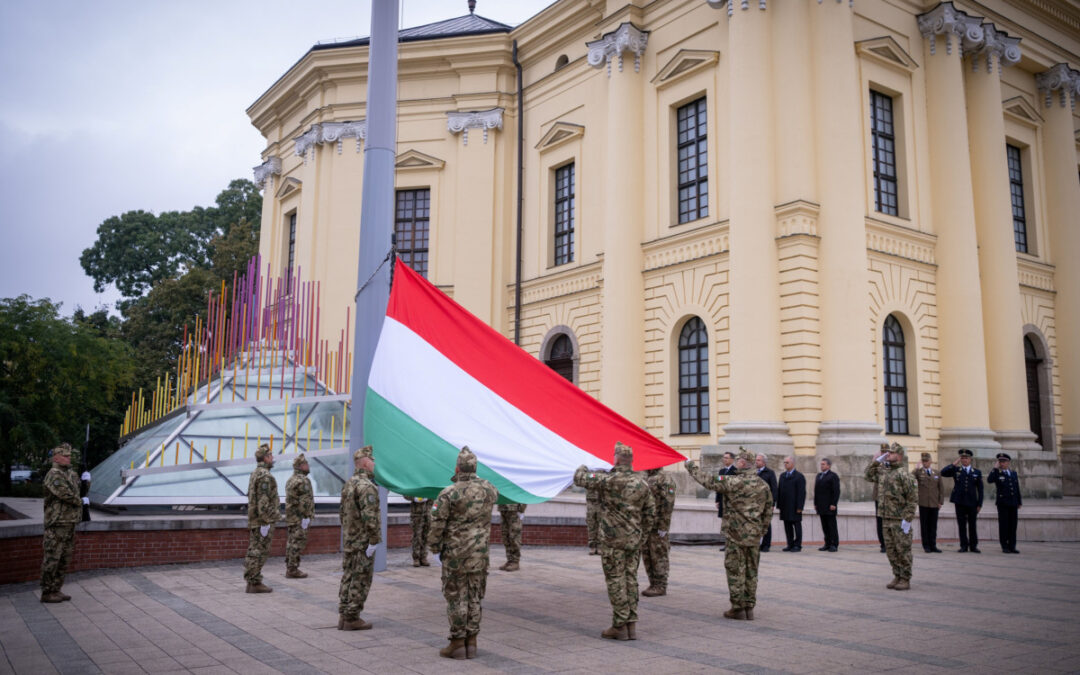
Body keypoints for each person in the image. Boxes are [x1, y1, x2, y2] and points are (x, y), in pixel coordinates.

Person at [573, 442, 656, 641]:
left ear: (616, 459)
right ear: (632, 461)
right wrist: (641, 536)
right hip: (633, 540)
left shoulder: (608, 480)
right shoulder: (642, 483)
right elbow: (650, 513)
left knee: (615, 580)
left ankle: (619, 625)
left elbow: (579, 477)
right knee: (631, 579)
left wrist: (585, 464)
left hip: (613, 540)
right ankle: (631, 625)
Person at [686, 449, 773, 620]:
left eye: (738, 459)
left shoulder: (733, 482)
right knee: (751, 571)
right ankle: (749, 607)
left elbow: (709, 481)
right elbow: (768, 511)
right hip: (754, 536)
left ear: (741, 463)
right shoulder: (763, 485)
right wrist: (761, 531)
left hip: (735, 535)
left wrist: (690, 466)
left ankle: (738, 608)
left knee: (735, 570)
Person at [429, 447, 498, 659]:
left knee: (456, 598)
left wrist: (433, 548)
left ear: (457, 467)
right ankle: (472, 642)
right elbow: (492, 492)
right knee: (475, 597)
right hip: (479, 556)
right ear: (475, 467)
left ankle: (458, 643)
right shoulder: (489, 490)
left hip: (455, 556)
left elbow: (437, 524)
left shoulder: (448, 493)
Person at [864, 443, 918, 590]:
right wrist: (877, 461)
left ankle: (905, 578)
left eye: (892, 453)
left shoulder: (904, 474)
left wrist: (907, 519)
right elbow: (867, 475)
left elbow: (912, 499)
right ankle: (897, 575)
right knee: (891, 551)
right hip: (885, 517)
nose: (888, 454)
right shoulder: (884, 472)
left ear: (899, 455)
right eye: (887, 452)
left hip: (899, 519)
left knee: (903, 550)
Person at [338, 445, 381, 631]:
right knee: (361, 579)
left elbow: (342, 513)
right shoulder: (366, 486)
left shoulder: (350, 483)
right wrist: (373, 540)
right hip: (362, 542)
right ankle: (352, 617)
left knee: (348, 576)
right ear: (364, 462)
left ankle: (344, 614)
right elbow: (370, 517)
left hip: (350, 539)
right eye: (372, 460)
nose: (374, 463)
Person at [40, 443, 82, 603]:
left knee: (64, 558)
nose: (68, 458)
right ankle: (47, 591)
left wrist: (86, 482)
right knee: (52, 558)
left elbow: (80, 490)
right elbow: (67, 495)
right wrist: (81, 501)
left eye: (69, 456)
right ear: (56, 457)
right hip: (57, 522)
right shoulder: (54, 474)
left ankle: (56, 589)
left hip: (70, 521)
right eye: (65, 456)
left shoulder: (70, 473)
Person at [244, 443, 280, 593]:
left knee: (255, 549)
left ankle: (253, 581)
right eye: (270, 456)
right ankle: (254, 582)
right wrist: (268, 519)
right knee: (259, 551)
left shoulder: (255, 473)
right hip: (262, 521)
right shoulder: (265, 476)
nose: (272, 458)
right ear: (265, 458)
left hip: (255, 519)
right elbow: (263, 503)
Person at [940, 448, 983, 553]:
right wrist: (954, 464)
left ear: (970, 459)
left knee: (972, 525)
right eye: (962, 458)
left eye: (966, 458)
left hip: (972, 502)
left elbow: (980, 490)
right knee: (962, 525)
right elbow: (943, 472)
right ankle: (963, 545)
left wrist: (979, 504)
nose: (964, 460)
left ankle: (973, 546)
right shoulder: (956, 470)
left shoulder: (976, 472)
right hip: (960, 502)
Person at [642, 467, 677, 597]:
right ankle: (653, 583)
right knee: (647, 555)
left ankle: (660, 585)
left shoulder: (665, 478)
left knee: (659, 555)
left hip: (657, 525)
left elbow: (668, 503)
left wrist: (664, 525)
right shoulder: (647, 477)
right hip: (646, 525)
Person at [285, 453, 314, 578]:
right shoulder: (303, 480)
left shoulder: (291, 479)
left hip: (292, 517)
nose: (308, 466)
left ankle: (290, 567)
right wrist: (306, 517)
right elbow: (305, 501)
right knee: (297, 543)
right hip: (299, 518)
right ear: (301, 466)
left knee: (291, 542)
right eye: (306, 464)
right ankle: (292, 569)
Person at [987, 453, 1022, 554]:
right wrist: (995, 468)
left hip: (1013, 503)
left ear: (1008, 462)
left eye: (1004, 461)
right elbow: (989, 480)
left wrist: (1019, 501)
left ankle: (1012, 546)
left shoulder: (1013, 473)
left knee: (1013, 525)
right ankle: (1004, 546)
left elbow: (1016, 488)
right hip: (1003, 503)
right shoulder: (997, 473)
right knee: (1004, 525)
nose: (1002, 463)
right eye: (1000, 462)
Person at [912, 452, 944, 553]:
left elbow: (941, 488)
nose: (925, 463)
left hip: (934, 503)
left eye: (927, 461)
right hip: (924, 503)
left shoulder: (936, 473)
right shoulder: (919, 472)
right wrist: (916, 468)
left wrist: (940, 501)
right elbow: (910, 477)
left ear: (931, 461)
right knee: (924, 525)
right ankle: (926, 545)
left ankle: (933, 545)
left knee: (933, 525)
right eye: (923, 461)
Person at [776, 456, 806, 552]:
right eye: (784, 462)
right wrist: (779, 505)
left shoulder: (799, 476)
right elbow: (779, 490)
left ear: (792, 464)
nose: (785, 464)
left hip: (795, 506)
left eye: (787, 462)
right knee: (787, 526)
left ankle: (797, 545)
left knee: (797, 526)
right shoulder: (782, 476)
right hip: (785, 506)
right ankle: (790, 544)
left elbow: (802, 493)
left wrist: (800, 507)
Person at [814, 458, 840, 552]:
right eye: (821, 464)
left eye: (823, 464)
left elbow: (836, 491)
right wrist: (815, 503)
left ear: (829, 466)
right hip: (821, 506)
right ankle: (827, 543)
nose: (822, 466)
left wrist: (834, 503)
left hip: (829, 506)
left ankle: (834, 544)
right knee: (824, 526)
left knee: (831, 526)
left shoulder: (833, 476)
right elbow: (816, 491)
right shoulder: (819, 476)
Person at [715, 451, 737, 549]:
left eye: (727, 458)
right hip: (723, 500)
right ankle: (727, 544)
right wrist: (717, 500)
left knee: (731, 523)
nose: (725, 459)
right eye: (724, 458)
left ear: (732, 459)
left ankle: (732, 543)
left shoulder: (736, 471)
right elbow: (718, 486)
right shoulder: (721, 471)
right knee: (725, 523)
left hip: (731, 502)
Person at [755, 454, 777, 552]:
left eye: (758, 460)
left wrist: (773, 504)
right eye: (756, 460)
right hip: (755, 504)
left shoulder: (770, 473)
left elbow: (774, 489)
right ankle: (757, 544)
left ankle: (766, 545)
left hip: (766, 504)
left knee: (766, 524)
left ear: (764, 462)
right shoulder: (753, 472)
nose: (756, 462)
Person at [498, 502, 526, 571]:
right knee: (505, 535)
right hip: (503, 508)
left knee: (514, 536)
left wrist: (522, 509)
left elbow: (524, 493)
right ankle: (510, 560)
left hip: (515, 509)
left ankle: (515, 561)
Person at [406, 496, 432, 567]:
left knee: (426, 536)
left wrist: (430, 497)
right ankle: (416, 558)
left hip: (428, 514)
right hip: (417, 515)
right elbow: (406, 494)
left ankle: (424, 557)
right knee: (417, 536)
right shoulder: (415, 484)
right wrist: (414, 498)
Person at [586, 480, 603, 555]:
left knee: (601, 524)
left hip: (602, 501)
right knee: (591, 524)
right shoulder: (590, 473)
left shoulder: (605, 471)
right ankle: (592, 546)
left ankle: (600, 546)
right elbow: (583, 482)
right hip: (591, 501)